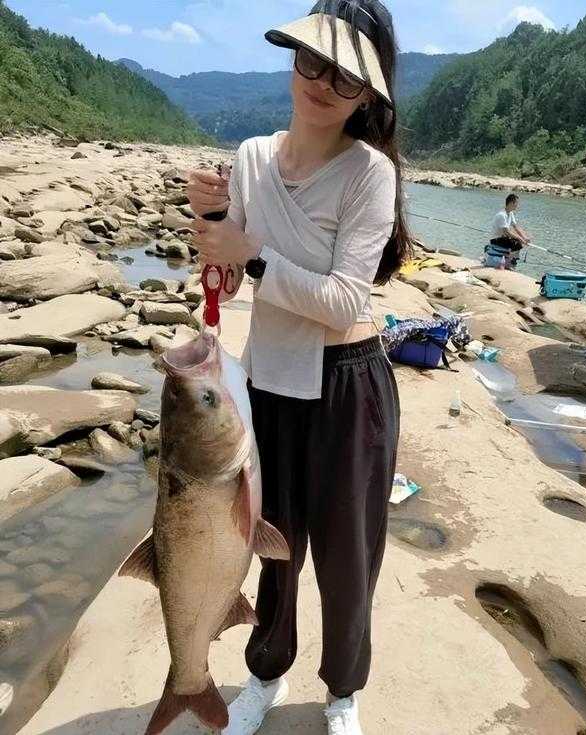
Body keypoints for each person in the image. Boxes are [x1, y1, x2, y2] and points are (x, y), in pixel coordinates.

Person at [186, 1, 411, 733]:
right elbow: (226, 284)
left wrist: (249, 253)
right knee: (273, 549)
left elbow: (346, 300)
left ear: (367, 93)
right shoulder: (252, 156)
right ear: (294, 58)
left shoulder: (369, 174)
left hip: (350, 386)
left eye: (345, 75)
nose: (322, 83)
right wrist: (214, 230)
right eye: (313, 61)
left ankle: (343, 692)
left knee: (349, 561)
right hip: (268, 384)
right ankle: (265, 674)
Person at [489, 193, 530, 268]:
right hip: (495, 239)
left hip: (503, 237)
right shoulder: (502, 215)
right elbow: (506, 231)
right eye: (516, 203)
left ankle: (512, 260)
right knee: (517, 243)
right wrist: (520, 239)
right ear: (511, 203)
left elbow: (516, 227)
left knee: (518, 242)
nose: (517, 205)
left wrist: (524, 237)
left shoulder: (510, 213)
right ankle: (509, 262)